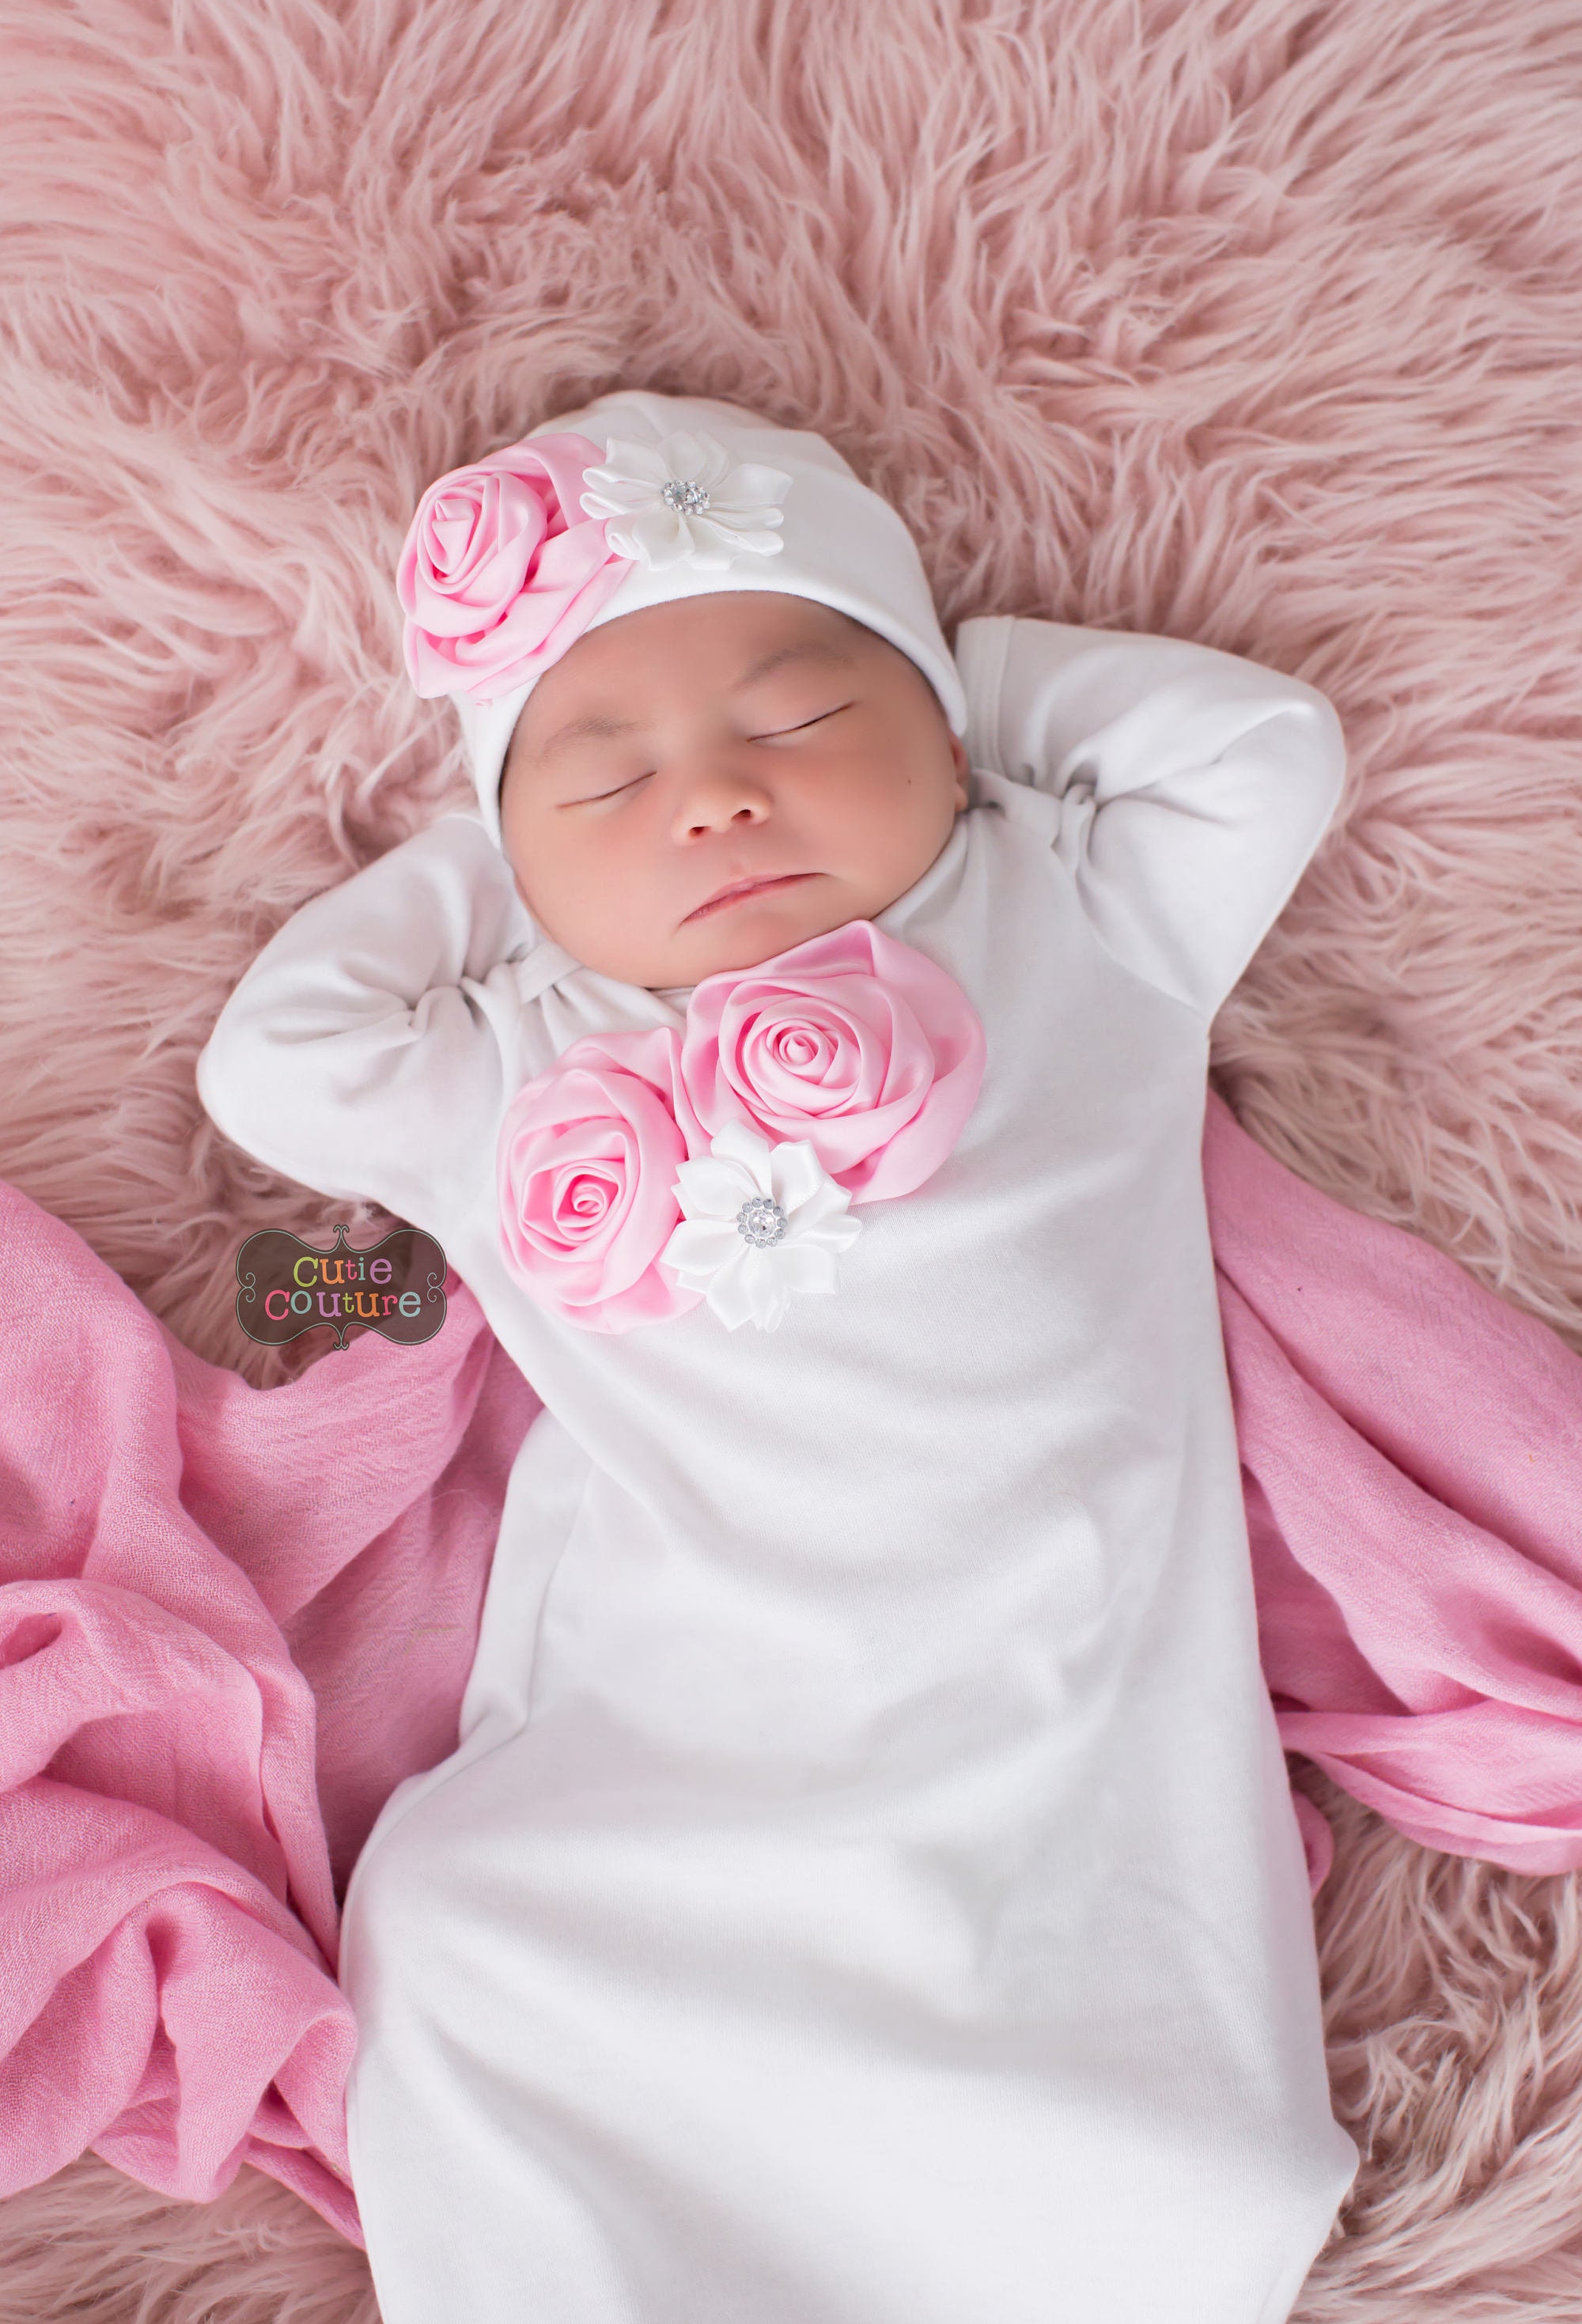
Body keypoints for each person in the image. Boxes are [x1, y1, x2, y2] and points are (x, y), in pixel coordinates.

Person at [196, 389, 1361, 2323]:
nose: (714, 800)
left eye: (805, 715)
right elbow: (272, 1063)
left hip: (1058, 1741)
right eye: (602, 780)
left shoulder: (1081, 912)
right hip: (687, 1756)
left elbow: (1263, 747)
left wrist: (969, 698)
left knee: (1178, 2164)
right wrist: (511, 877)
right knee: (471, 1939)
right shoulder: (514, 1062)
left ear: (939, 731)